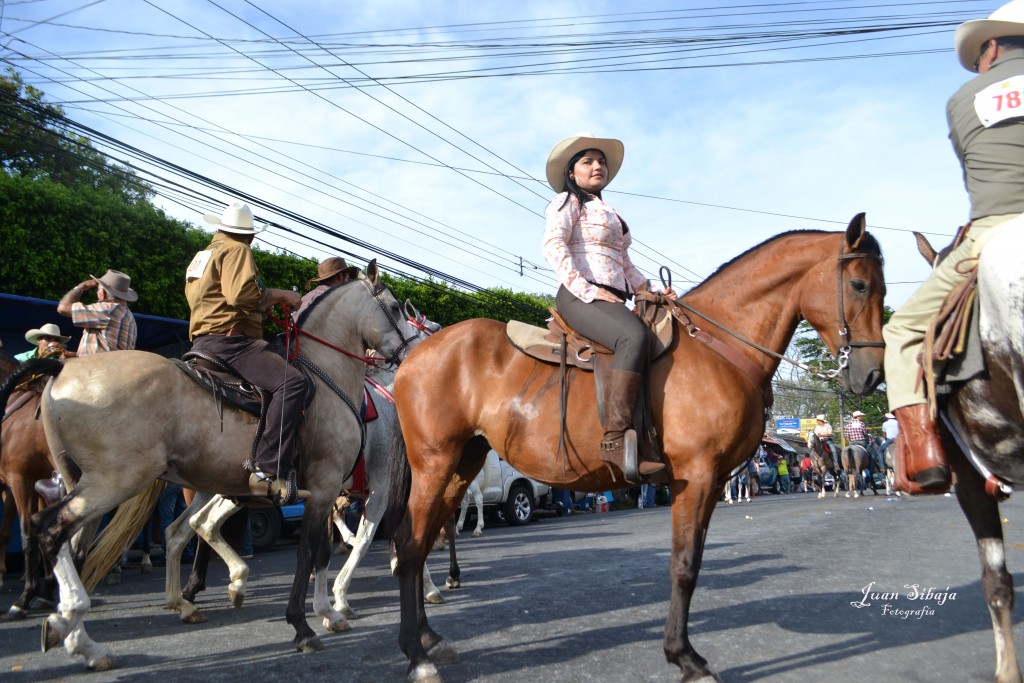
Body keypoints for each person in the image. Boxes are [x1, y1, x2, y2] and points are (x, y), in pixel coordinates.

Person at [883, 0, 1024, 494]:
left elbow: (974, 172)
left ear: (991, 47)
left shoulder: (964, 98)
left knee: (901, 332)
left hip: (994, 227)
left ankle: (924, 456)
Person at [541, 132, 673, 481]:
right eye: (588, 161)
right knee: (633, 337)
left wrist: (651, 292)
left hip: (614, 296)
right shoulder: (568, 202)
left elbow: (624, 262)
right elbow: (553, 245)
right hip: (578, 295)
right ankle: (615, 441)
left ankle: (651, 436)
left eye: (601, 161)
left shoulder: (608, 212)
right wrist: (586, 289)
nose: (597, 166)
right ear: (572, 173)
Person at [185, 200, 311, 504]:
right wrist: (279, 294)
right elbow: (240, 294)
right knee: (292, 383)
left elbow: (221, 299)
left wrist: (260, 307)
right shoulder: (238, 250)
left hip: (202, 340)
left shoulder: (204, 255)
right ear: (250, 236)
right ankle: (267, 472)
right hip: (232, 344)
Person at [57, 269, 138, 355]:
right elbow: (109, 348)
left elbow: (63, 307)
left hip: (97, 366)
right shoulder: (130, 316)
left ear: (103, 293)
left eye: (98, 289)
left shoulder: (106, 310)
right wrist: (74, 355)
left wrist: (81, 287)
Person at [293, 256, 361, 321]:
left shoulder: (306, 297)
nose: (348, 283)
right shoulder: (335, 301)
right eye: (348, 279)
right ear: (341, 276)